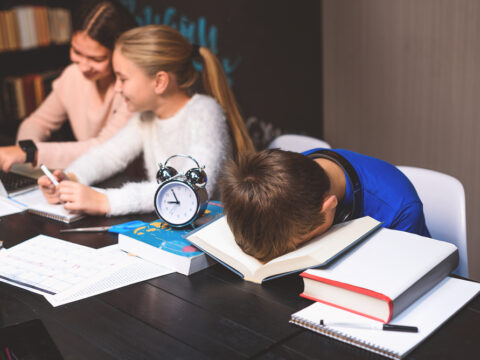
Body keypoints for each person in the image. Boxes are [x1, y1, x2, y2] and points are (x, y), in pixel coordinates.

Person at [37, 24, 255, 216]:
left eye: (123, 78)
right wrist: (72, 178)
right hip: (172, 223)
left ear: (159, 82)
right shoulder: (145, 116)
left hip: (210, 230)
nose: (117, 88)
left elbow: (188, 188)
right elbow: (109, 155)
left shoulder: (204, 112)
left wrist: (105, 201)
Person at [219, 148, 431, 263]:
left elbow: (406, 276)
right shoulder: (285, 178)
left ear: (330, 208)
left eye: (296, 246)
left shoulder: (401, 209)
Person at [0, 0, 137, 172]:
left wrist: (30, 153)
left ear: (120, 53)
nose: (84, 66)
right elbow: (38, 122)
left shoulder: (132, 88)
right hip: (87, 175)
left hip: (124, 182)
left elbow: (105, 148)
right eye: (77, 52)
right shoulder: (73, 75)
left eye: (96, 59)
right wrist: (25, 151)